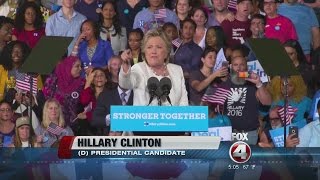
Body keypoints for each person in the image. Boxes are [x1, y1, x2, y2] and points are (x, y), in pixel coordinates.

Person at [204, 55, 272, 145]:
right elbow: (206, 104)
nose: (239, 68)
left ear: (246, 67)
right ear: (231, 67)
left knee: (244, 158)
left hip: (248, 134)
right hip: (228, 133)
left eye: (242, 65)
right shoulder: (223, 84)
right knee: (228, 158)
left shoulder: (253, 84)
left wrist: (259, 83)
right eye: (236, 65)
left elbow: (267, 102)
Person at [119, 28, 189, 106]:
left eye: (159, 47)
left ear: (166, 52)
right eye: (149, 47)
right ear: (144, 52)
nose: (153, 51)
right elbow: (125, 84)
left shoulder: (177, 70)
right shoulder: (138, 68)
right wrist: (125, 65)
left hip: (174, 117)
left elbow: (184, 102)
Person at [43, 56, 84, 130]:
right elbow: (47, 100)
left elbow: (83, 102)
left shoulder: (81, 83)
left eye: (81, 66)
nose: (80, 69)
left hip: (72, 127)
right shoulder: (53, 80)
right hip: (52, 124)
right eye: (77, 66)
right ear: (68, 67)